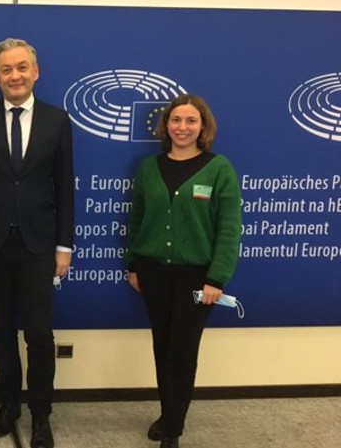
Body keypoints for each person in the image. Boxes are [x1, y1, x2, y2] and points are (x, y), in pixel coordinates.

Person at [0, 38, 74, 448]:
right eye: (6, 69)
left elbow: (65, 187)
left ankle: (41, 414)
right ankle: (9, 404)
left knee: (39, 334)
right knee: (2, 330)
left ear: (35, 72)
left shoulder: (57, 120)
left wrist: (64, 246)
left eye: (22, 67)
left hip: (39, 245)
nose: (15, 75)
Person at [125, 94, 242, 448]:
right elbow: (136, 219)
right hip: (153, 273)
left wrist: (216, 278)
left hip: (197, 278)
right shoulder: (149, 167)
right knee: (163, 347)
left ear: (203, 126)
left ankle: (173, 429)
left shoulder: (219, 168)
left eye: (191, 120)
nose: (182, 127)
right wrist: (133, 264)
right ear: (166, 125)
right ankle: (167, 415)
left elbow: (228, 228)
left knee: (182, 350)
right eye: (176, 120)